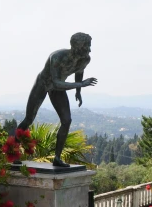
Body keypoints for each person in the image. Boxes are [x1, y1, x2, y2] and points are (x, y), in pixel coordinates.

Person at [17, 32, 97, 167]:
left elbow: (79, 72)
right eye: (87, 46)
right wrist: (81, 84)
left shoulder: (85, 59)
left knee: (66, 120)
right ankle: (12, 150)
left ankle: (57, 158)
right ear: (78, 46)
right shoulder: (57, 57)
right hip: (43, 84)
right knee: (29, 119)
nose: (89, 49)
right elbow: (56, 82)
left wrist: (78, 91)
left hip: (58, 88)